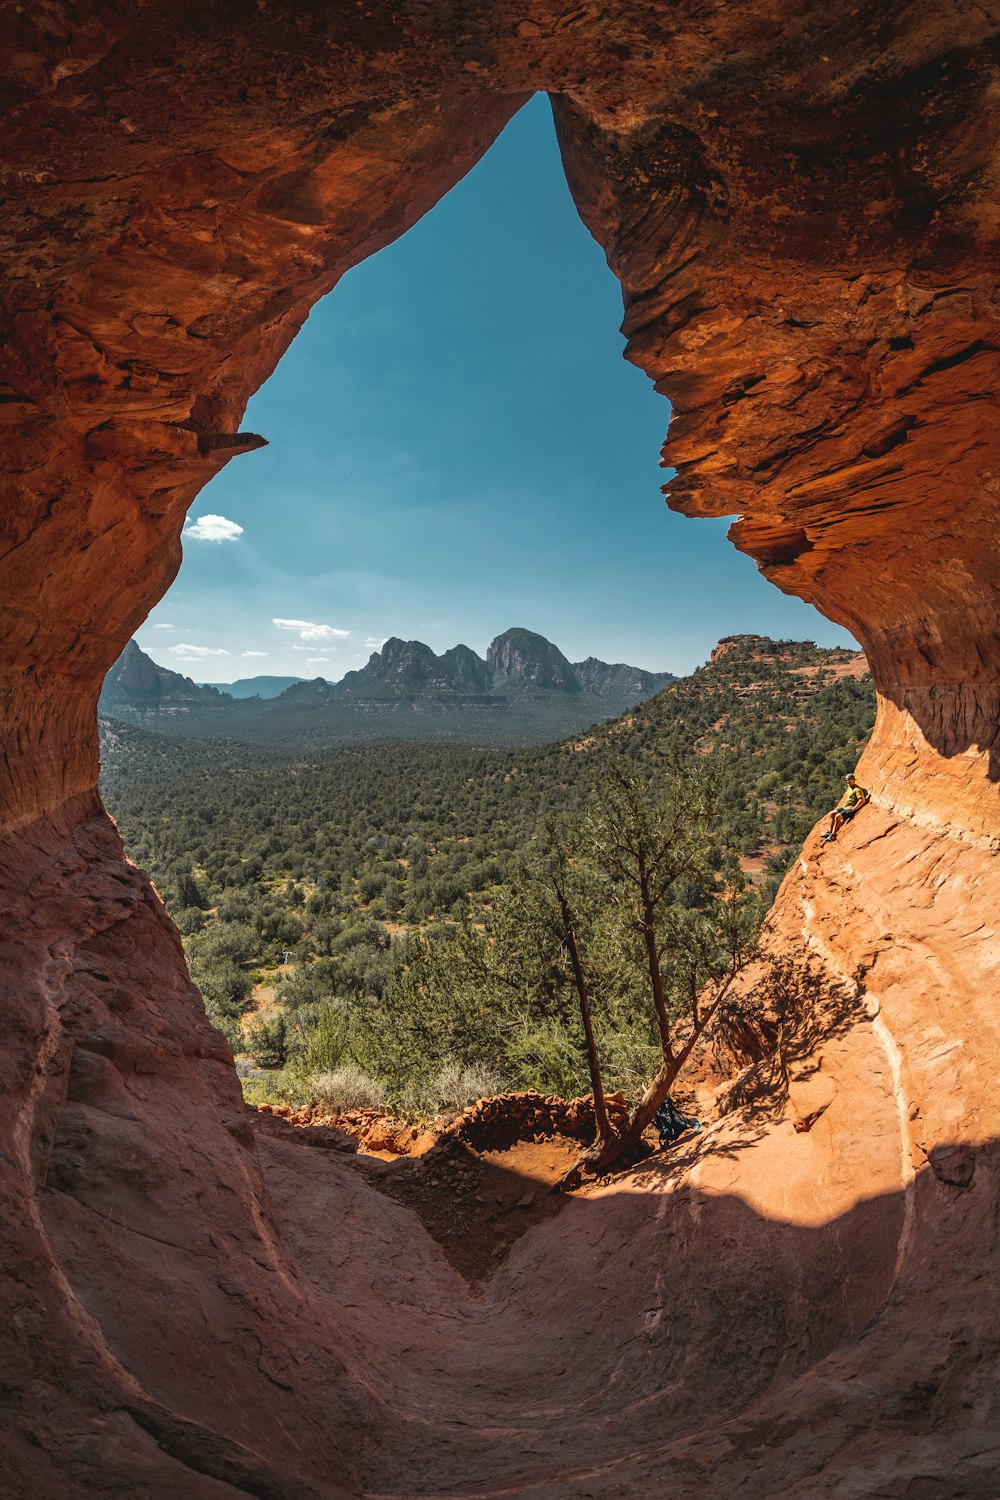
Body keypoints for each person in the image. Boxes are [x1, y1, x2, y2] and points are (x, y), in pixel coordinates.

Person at [820, 774, 870, 843]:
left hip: (851, 809)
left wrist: (854, 809)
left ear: (853, 780)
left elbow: (862, 800)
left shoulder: (857, 790)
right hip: (845, 807)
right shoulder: (849, 787)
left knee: (838, 816)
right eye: (846, 780)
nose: (847, 781)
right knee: (832, 814)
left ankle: (833, 835)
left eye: (849, 780)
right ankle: (830, 831)